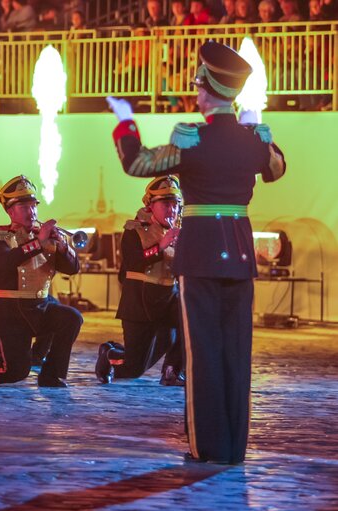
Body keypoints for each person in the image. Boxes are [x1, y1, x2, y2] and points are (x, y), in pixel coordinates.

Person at [107, 41, 286, 464]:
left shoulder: (191, 139)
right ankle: (234, 447)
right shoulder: (253, 139)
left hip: (202, 250)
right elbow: (276, 169)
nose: (196, 92)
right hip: (238, 251)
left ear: (208, 90)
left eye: (199, 86)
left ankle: (208, 446)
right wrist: (257, 131)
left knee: (202, 351)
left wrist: (126, 121)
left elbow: (137, 164)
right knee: (236, 352)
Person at [0, 175, 82, 388]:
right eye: (24, 207)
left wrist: (63, 247)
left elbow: (72, 269)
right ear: (10, 211)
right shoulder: (0, 235)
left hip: (40, 306)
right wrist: (38, 243)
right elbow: (3, 264)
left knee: (72, 318)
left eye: (33, 206)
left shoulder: (43, 235)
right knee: (17, 373)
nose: (31, 212)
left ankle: (51, 375)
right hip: (11, 313)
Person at [95, 176, 185, 386]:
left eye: (175, 205)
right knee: (132, 368)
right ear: (150, 205)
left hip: (168, 299)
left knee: (191, 318)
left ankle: (172, 371)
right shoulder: (133, 230)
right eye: (166, 204)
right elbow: (133, 262)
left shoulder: (178, 232)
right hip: (140, 304)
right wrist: (160, 246)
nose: (172, 210)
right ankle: (109, 353)